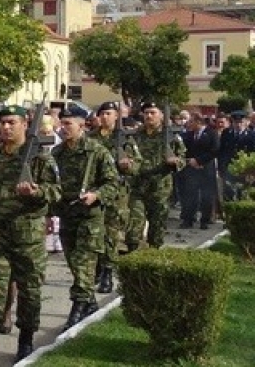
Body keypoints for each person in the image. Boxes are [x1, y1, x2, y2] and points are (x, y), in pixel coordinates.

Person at [0, 106, 61, 366]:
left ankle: (25, 341)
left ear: (24, 124)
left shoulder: (40, 157)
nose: (6, 128)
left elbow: (55, 193)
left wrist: (36, 192)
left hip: (27, 236)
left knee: (29, 290)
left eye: (12, 123)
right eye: (3, 123)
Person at [51, 106, 119, 330]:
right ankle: (89, 303)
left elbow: (112, 183)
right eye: (62, 124)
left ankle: (77, 312)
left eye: (68, 124)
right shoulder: (57, 153)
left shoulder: (96, 151)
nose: (64, 128)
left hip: (90, 218)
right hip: (67, 216)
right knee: (73, 263)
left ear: (82, 126)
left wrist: (96, 195)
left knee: (83, 265)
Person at [89, 101, 141, 294]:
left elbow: (137, 165)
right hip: (94, 192)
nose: (104, 117)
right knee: (94, 233)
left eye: (108, 113)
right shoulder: (90, 138)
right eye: (101, 113)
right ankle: (96, 268)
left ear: (117, 116)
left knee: (111, 234)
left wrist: (128, 165)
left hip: (116, 194)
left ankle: (108, 272)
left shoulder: (125, 139)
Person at [126, 102, 185, 251]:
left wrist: (175, 162)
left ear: (162, 115)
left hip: (160, 188)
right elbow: (127, 154)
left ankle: (153, 254)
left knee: (157, 227)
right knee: (134, 224)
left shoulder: (171, 136)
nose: (149, 116)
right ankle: (132, 254)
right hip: (137, 186)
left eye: (153, 112)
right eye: (146, 113)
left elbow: (182, 158)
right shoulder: (135, 135)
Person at [180, 113, 219, 229]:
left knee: (206, 196)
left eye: (191, 122)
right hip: (192, 170)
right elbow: (184, 149)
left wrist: (199, 161)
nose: (189, 124)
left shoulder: (211, 133)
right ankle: (189, 219)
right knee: (190, 195)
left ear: (198, 122)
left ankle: (205, 220)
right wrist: (190, 161)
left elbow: (215, 150)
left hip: (206, 169)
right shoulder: (189, 135)